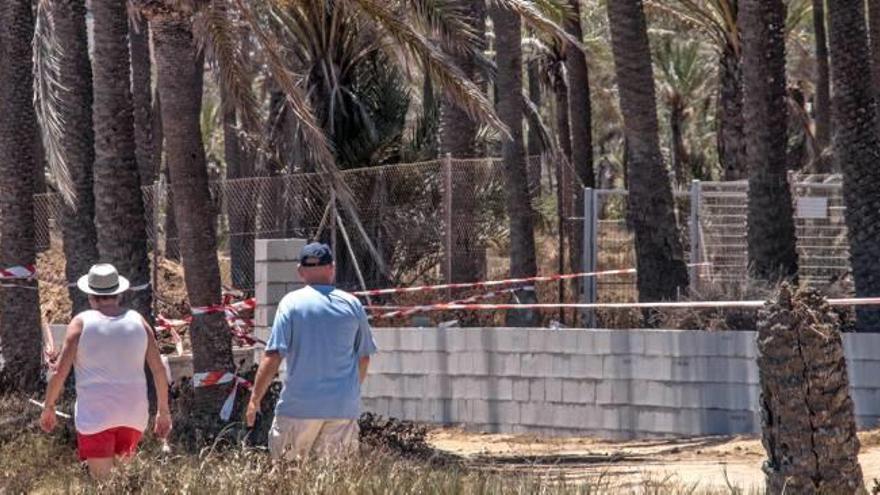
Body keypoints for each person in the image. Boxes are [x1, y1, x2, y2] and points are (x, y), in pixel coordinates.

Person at [246, 242, 377, 460]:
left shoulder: (291, 304)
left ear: (300, 272)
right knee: (334, 480)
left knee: (288, 477)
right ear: (332, 268)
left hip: (299, 408)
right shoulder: (353, 304)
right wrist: (347, 391)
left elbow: (273, 356)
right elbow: (363, 357)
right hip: (341, 409)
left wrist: (255, 399)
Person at [40, 264, 172, 479]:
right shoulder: (139, 322)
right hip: (134, 415)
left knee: (103, 485)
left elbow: (60, 374)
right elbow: (159, 370)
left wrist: (49, 406)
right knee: (122, 481)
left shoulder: (81, 323)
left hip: (96, 415)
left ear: (91, 296)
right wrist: (163, 412)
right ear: (119, 294)